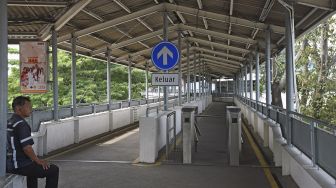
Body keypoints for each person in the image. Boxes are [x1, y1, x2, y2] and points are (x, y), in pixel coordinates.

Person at [6, 96, 59, 188]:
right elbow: (27, 148)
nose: (31, 109)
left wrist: (35, 160)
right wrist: (38, 160)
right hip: (18, 165)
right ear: (19, 108)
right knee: (53, 170)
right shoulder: (21, 124)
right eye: (28, 107)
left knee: (32, 165)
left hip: (8, 163)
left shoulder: (9, 121)